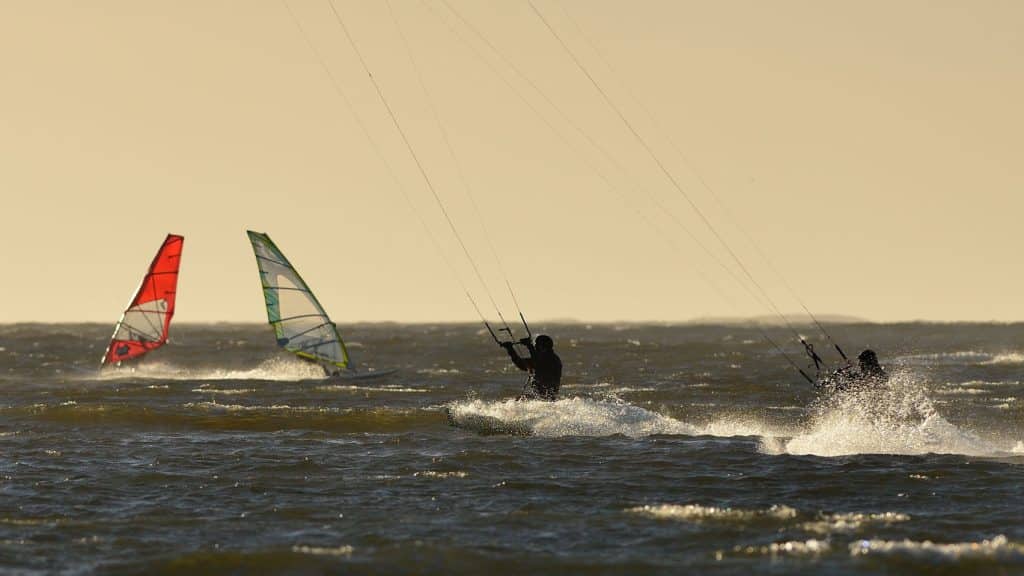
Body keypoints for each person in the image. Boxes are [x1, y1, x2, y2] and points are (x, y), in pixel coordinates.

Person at [501, 334, 562, 401]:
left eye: (537, 345)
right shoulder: (544, 358)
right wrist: (510, 349)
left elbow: (538, 362)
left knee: (518, 400)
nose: (535, 346)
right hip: (541, 397)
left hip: (546, 397)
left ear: (543, 346)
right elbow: (521, 364)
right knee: (513, 400)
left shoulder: (552, 359)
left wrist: (529, 346)